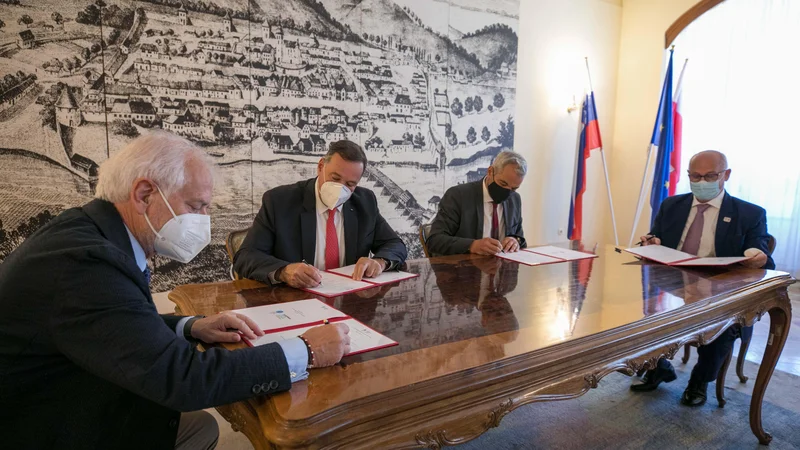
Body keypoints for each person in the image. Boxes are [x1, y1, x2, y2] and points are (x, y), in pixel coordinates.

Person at [0, 131, 350, 450]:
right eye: (195, 206)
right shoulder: (88, 264)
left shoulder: (89, 232)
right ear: (144, 194)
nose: (202, 220)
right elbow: (183, 380)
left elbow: (114, 324)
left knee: (201, 430)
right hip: (49, 425)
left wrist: (190, 326)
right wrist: (306, 351)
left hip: (72, 391)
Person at [633, 150, 774, 407]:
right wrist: (652, 241)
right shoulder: (672, 205)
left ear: (726, 175)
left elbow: (762, 256)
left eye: (710, 175)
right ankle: (659, 366)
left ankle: (699, 380)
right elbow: (656, 237)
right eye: (695, 176)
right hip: (674, 285)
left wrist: (758, 257)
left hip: (720, 290)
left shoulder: (750, 213)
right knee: (639, 311)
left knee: (723, 324)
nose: (702, 181)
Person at [234, 140, 408, 288]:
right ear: (320, 167)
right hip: (294, 300)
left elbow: (394, 244)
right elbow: (246, 257)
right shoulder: (280, 201)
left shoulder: (365, 201)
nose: (341, 188)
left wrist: (379, 262)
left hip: (349, 297)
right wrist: (284, 271)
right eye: (335, 178)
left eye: (350, 184)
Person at [427, 151, 527, 257]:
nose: (507, 191)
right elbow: (435, 241)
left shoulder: (514, 200)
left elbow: (519, 237)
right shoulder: (458, 196)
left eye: (514, 188)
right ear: (490, 172)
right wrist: (472, 245)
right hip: (464, 270)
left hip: (502, 269)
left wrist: (515, 241)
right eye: (503, 183)